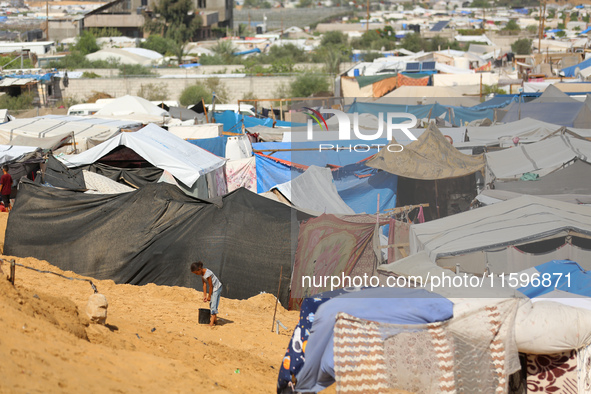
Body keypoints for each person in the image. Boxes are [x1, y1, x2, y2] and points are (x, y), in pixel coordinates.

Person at [190, 261, 222, 326]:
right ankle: (215, 321)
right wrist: (205, 295)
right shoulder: (202, 274)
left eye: (196, 273)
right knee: (211, 304)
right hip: (213, 288)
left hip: (217, 288)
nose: (196, 274)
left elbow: (211, 286)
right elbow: (204, 284)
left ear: (199, 269)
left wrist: (209, 296)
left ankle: (211, 324)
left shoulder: (207, 274)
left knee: (213, 304)